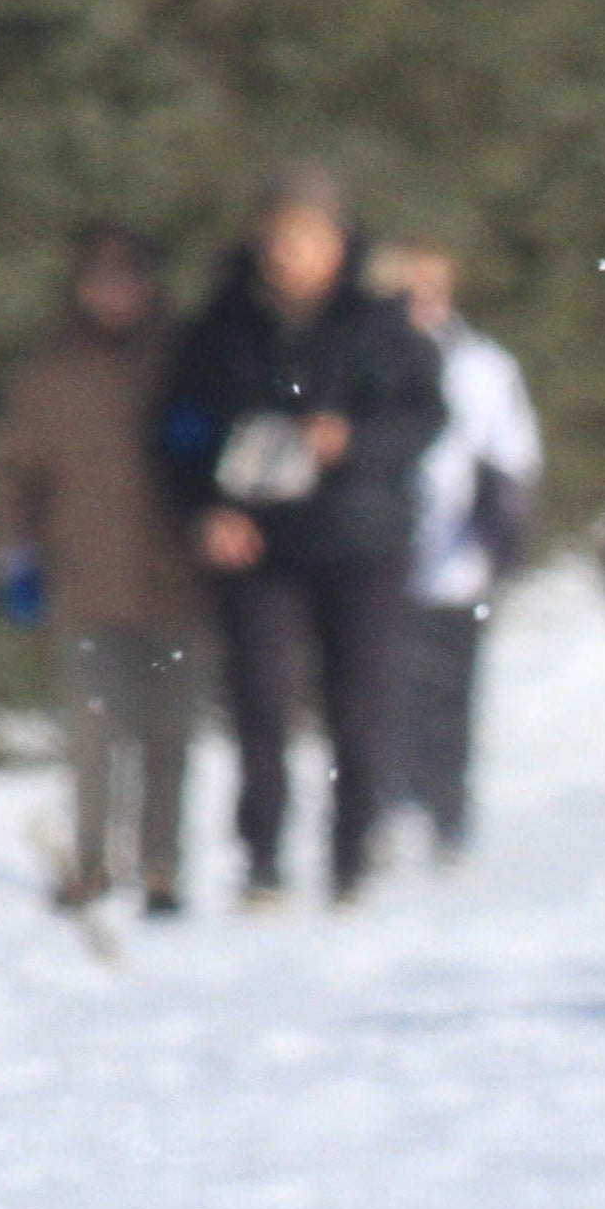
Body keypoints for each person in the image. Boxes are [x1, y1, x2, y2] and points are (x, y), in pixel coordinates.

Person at [157, 168, 443, 908]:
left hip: (363, 538)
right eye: (278, 237)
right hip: (258, 544)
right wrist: (203, 510)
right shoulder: (225, 323)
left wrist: (351, 441)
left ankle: (352, 851)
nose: (289, 254)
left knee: (360, 703)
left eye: (305, 238)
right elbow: (179, 432)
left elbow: (425, 420)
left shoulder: (381, 321)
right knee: (260, 702)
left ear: (336, 240)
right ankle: (262, 856)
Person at [0, 222, 202, 917]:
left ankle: (163, 866)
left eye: (129, 278)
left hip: (180, 579)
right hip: (84, 581)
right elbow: (11, 473)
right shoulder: (47, 372)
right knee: (93, 736)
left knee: (169, 735)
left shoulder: (188, 358)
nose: (116, 294)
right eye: (101, 280)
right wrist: (15, 555)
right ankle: (90, 862)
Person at [373, 242, 540, 866]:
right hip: (379, 557)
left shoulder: (483, 365)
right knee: (381, 689)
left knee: (450, 689)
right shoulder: (364, 356)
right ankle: (382, 807)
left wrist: (502, 536)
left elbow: (512, 455)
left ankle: (447, 807)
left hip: (456, 557)